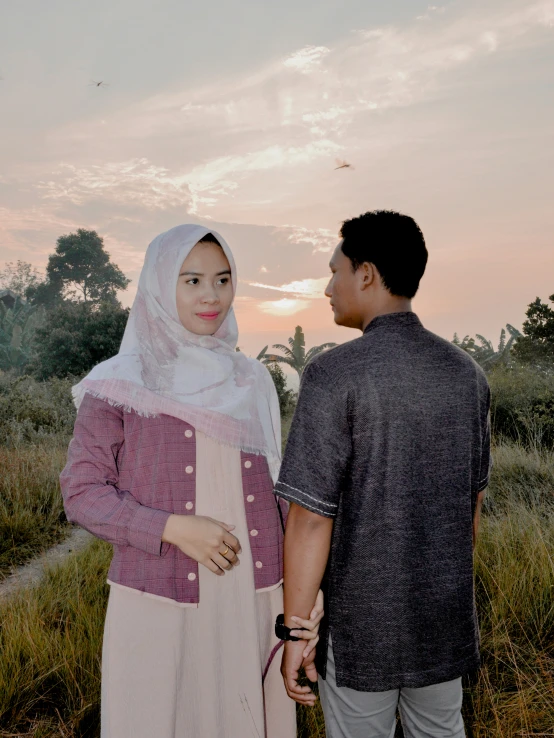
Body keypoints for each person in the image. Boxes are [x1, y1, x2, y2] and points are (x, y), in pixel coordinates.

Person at [60, 224, 323, 738]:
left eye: (222, 280)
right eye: (192, 280)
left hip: (253, 595)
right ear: (159, 285)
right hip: (159, 601)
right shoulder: (120, 381)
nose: (212, 296)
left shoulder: (251, 379)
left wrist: (305, 592)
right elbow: (82, 492)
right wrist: (173, 528)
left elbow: (280, 493)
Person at [274, 211, 492, 738]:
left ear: (366, 273)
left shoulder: (333, 374)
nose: (329, 287)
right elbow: (472, 508)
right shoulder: (467, 374)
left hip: (361, 633)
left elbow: (308, 520)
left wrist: (295, 633)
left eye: (335, 271)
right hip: (442, 624)